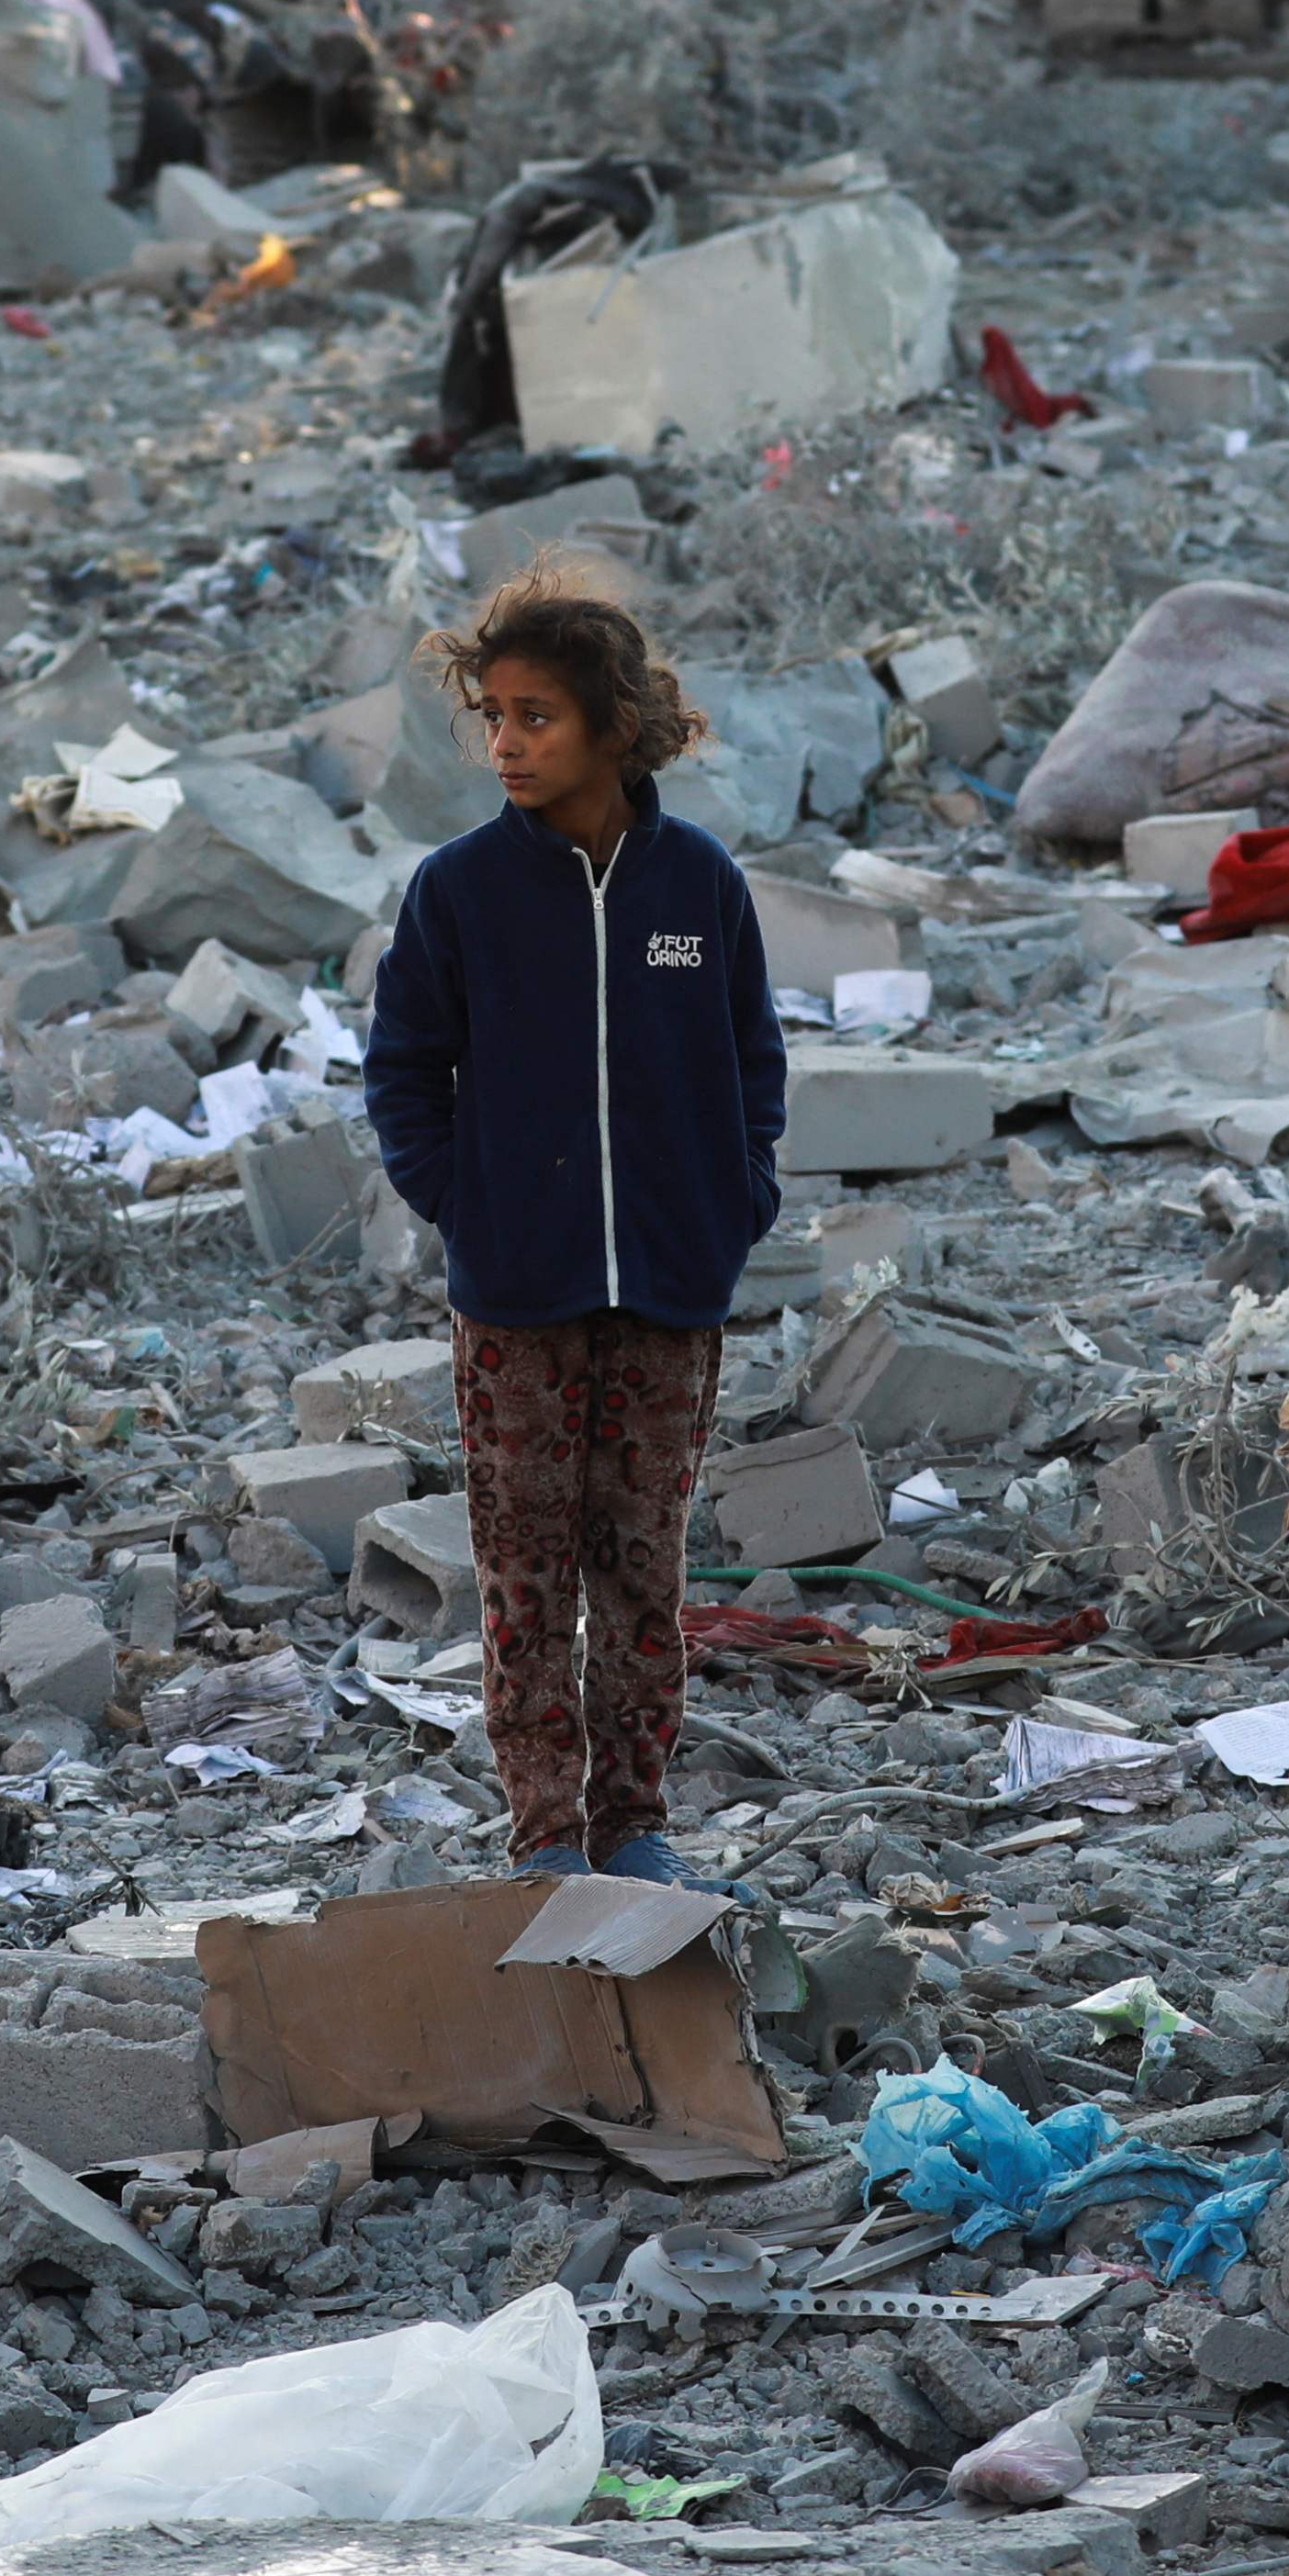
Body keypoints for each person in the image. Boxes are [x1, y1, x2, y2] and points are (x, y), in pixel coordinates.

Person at [362, 561, 785, 1883]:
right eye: (489, 714)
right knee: (527, 1576)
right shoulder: (459, 893)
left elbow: (751, 1058)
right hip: (516, 1300)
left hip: (670, 1289)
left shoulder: (697, 888)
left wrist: (735, 1197)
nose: (504, 742)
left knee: (640, 1569)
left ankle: (634, 1822)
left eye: (535, 715)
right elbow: (401, 1066)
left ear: (614, 722)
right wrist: (459, 1198)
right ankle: (545, 1828)